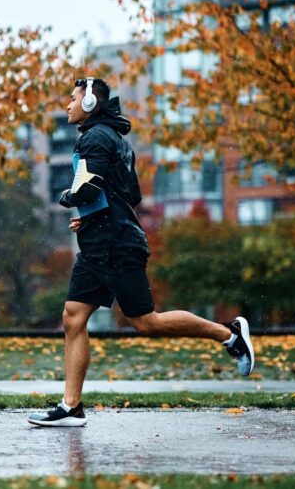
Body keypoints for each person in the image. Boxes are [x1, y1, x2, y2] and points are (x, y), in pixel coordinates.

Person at [27, 78, 254, 427]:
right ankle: (71, 406)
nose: (67, 106)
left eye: (72, 100)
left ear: (89, 104)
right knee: (73, 316)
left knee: (146, 322)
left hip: (117, 245)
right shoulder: (107, 137)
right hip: (99, 242)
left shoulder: (97, 137)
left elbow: (88, 187)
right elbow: (127, 195)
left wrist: (68, 200)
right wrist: (88, 220)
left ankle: (229, 334)